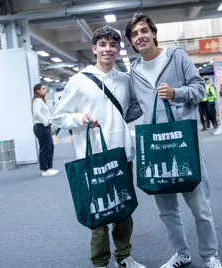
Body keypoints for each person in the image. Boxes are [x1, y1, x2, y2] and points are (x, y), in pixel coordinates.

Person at [125, 14, 222, 268]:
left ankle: (210, 255)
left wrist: (176, 93)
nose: (140, 36)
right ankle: (182, 253)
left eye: (144, 30)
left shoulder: (176, 56)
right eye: (135, 34)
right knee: (167, 211)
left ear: (154, 33)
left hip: (183, 144)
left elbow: (199, 89)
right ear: (131, 42)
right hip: (155, 149)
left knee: (200, 207)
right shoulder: (134, 70)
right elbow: (135, 107)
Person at [52, 26, 146, 268]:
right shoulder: (78, 81)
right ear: (94, 49)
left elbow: (131, 110)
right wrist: (79, 119)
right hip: (93, 156)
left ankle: (124, 257)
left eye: (113, 45)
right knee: (99, 214)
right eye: (103, 45)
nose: (108, 49)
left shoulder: (125, 80)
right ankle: (100, 262)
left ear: (118, 49)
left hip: (122, 154)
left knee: (124, 210)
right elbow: (58, 117)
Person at [32, 83, 59, 177]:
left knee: (50, 147)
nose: (45, 90)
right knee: (45, 148)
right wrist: (45, 122)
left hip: (44, 127)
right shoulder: (37, 100)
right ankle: (44, 170)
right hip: (41, 127)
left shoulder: (41, 100)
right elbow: (36, 113)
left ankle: (49, 167)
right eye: (43, 89)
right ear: (38, 90)